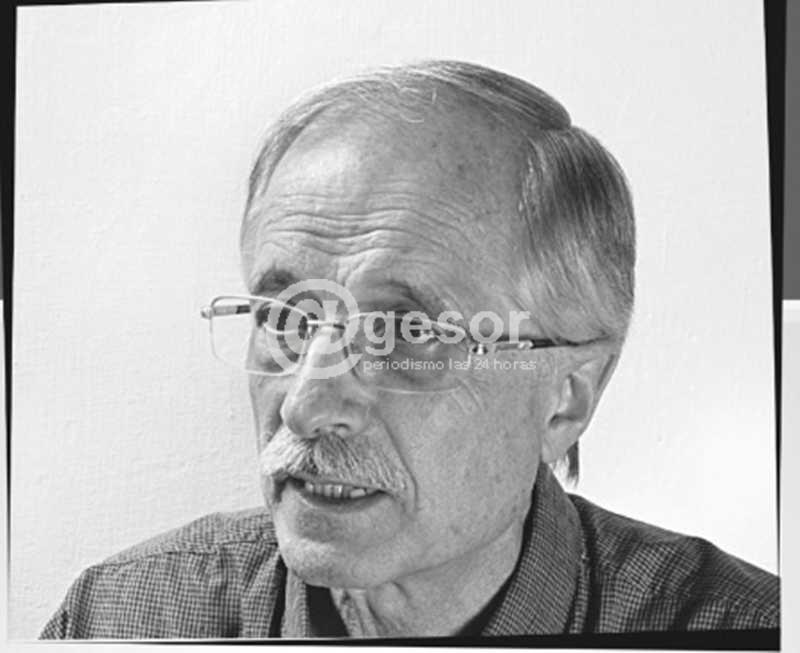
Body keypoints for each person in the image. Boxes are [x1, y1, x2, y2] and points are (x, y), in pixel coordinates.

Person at [41, 60, 779, 639]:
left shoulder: (747, 630)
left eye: (406, 332)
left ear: (566, 398)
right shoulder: (122, 618)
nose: (304, 406)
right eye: (289, 319)